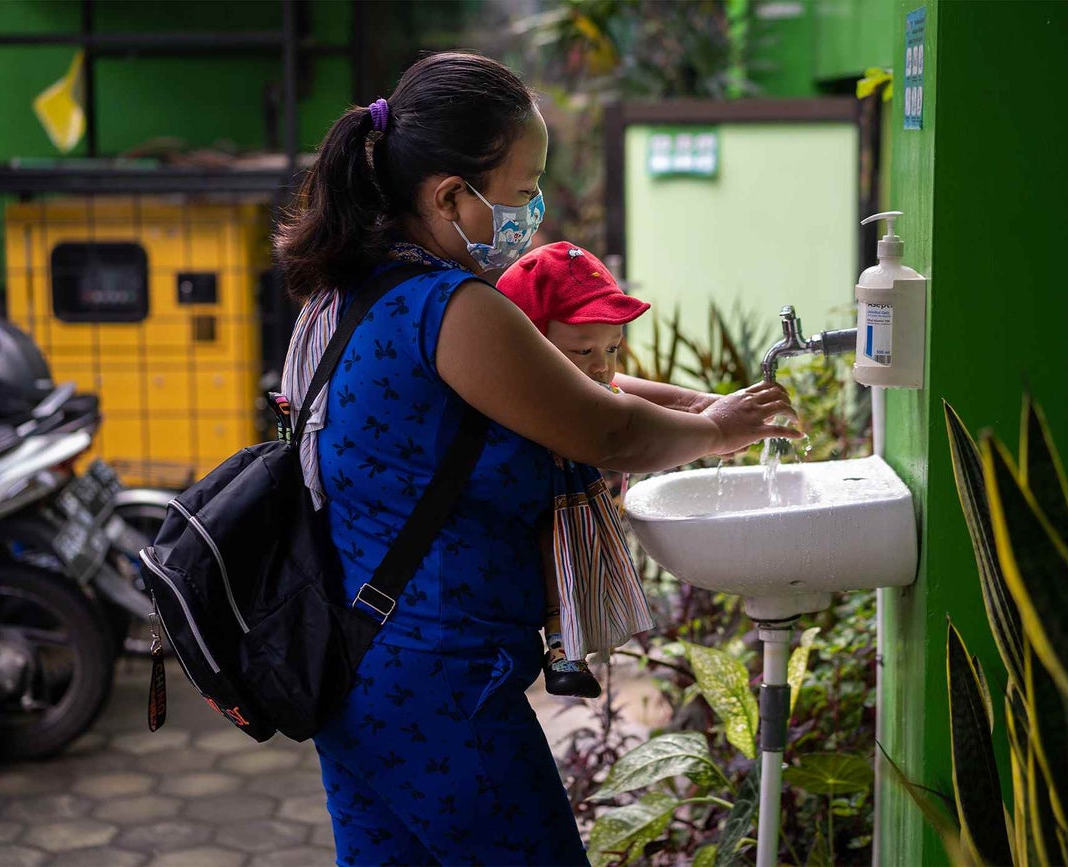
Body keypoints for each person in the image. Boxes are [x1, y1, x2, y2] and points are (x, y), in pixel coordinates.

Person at [277, 51, 799, 867]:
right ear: (450, 195)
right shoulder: (451, 307)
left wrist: (707, 407)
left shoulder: (353, 289)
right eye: (522, 193)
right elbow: (607, 431)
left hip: (358, 668)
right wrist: (724, 432)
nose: (534, 212)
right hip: (443, 687)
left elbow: (574, 386)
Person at [497, 240, 698, 700]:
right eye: (583, 352)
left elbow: (621, 395)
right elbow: (624, 426)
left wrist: (698, 406)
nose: (602, 367)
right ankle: (562, 645)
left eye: (613, 348)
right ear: (529, 345)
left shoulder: (586, 380)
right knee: (555, 552)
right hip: (537, 506)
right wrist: (711, 428)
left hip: (569, 500)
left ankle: (574, 641)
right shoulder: (521, 391)